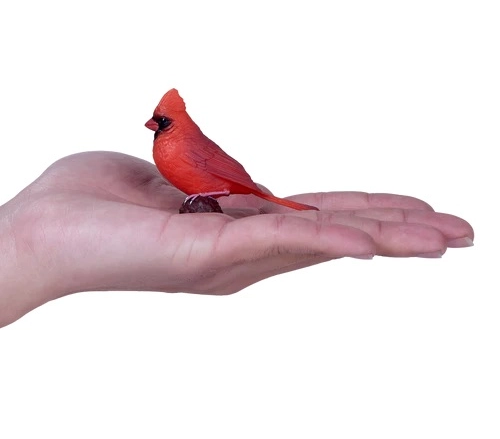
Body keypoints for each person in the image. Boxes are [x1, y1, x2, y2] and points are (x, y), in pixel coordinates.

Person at [0, 151, 474, 328]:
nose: (153, 127)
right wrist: (26, 242)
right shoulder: (169, 147)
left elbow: (219, 170)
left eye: (162, 122)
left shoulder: (185, 145)